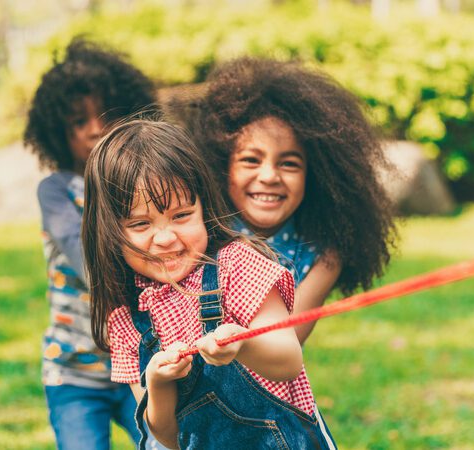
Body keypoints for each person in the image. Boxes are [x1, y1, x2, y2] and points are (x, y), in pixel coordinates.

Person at [81, 120, 338, 450]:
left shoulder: (237, 265)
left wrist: (243, 346)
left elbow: (288, 360)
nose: (165, 238)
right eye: (141, 223)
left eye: (182, 215)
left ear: (203, 207)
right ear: (109, 231)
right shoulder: (125, 318)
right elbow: (169, 439)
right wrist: (158, 384)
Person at [190, 57, 397, 343]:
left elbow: (286, 343)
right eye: (251, 160)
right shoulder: (200, 230)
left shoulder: (324, 256)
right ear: (221, 166)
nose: (269, 176)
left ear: (316, 177)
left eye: (289, 164)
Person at [23, 39, 157, 449]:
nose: (96, 129)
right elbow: (86, 259)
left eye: (104, 115)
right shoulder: (57, 191)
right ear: (57, 134)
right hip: (75, 372)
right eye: (78, 122)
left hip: (145, 367)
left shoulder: (145, 188)